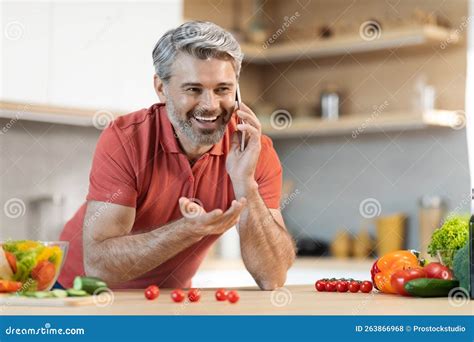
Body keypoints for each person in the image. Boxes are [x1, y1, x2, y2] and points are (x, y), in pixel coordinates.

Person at [58, 21, 296, 290]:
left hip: (167, 297)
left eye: (223, 89)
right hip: (78, 292)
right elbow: (100, 266)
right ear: (161, 88)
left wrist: (246, 182)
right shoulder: (126, 139)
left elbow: (272, 277)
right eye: (193, 89)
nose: (210, 105)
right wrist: (188, 230)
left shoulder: (251, 147)